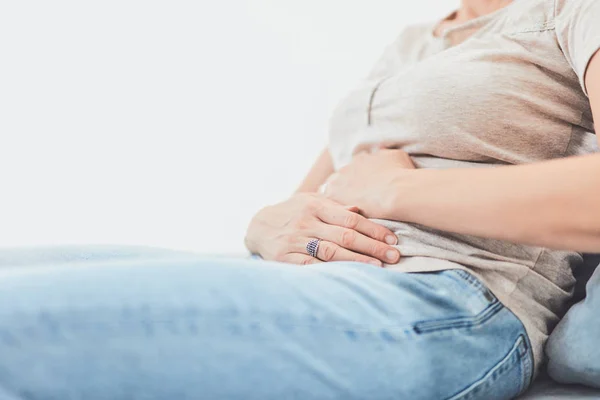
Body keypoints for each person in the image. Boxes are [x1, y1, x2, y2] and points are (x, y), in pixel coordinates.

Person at [1, 0, 599, 399]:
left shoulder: (575, 11)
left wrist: (399, 190)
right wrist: (265, 225)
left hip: (445, 296)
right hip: (304, 278)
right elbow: (309, 199)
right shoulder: (416, 40)